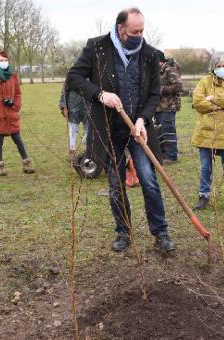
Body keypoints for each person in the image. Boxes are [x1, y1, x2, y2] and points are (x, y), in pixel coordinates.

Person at [66, 7, 175, 252]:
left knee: (148, 179)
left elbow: (155, 94)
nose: (139, 35)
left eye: (142, 30)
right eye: (134, 31)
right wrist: (100, 94)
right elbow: (73, 77)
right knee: (116, 184)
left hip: (137, 131)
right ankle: (123, 232)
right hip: (108, 130)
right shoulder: (97, 48)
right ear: (120, 29)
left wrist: (143, 120)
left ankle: (161, 234)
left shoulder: (148, 54)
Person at [191, 52, 224, 213]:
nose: (221, 69)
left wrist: (212, 98)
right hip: (206, 132)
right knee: (206, 167)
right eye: (218, 66)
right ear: (213, 67)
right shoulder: (204, 81)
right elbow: (197, 102)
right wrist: (218, 105)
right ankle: (203, 196)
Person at [0, 51, 35, 176]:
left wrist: (15, 105)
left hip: (11, 113)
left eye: (5, 60)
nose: (4, 62)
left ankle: (26, 163)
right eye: (1, 60)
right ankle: (0, 166)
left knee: (18, 138)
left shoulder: (13, 75)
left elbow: (18, 93)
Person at [155, 50, 183, 164]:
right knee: (159, 131)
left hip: (168, 106)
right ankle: (162, 154)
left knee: (168, 131)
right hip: (158, 106)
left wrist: (159, 90)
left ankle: (171, 156)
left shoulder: (170, 69)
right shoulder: (157, 70)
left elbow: (178, 87)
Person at [59, 79, 89, 160]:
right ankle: (72, 153)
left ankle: (89, 153)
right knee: (72, 132)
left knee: (89, 132)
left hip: (88, 108)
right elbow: (64, 92)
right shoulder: (72, 75)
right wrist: (63, 106)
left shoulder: (92, 73)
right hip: (73, 109)